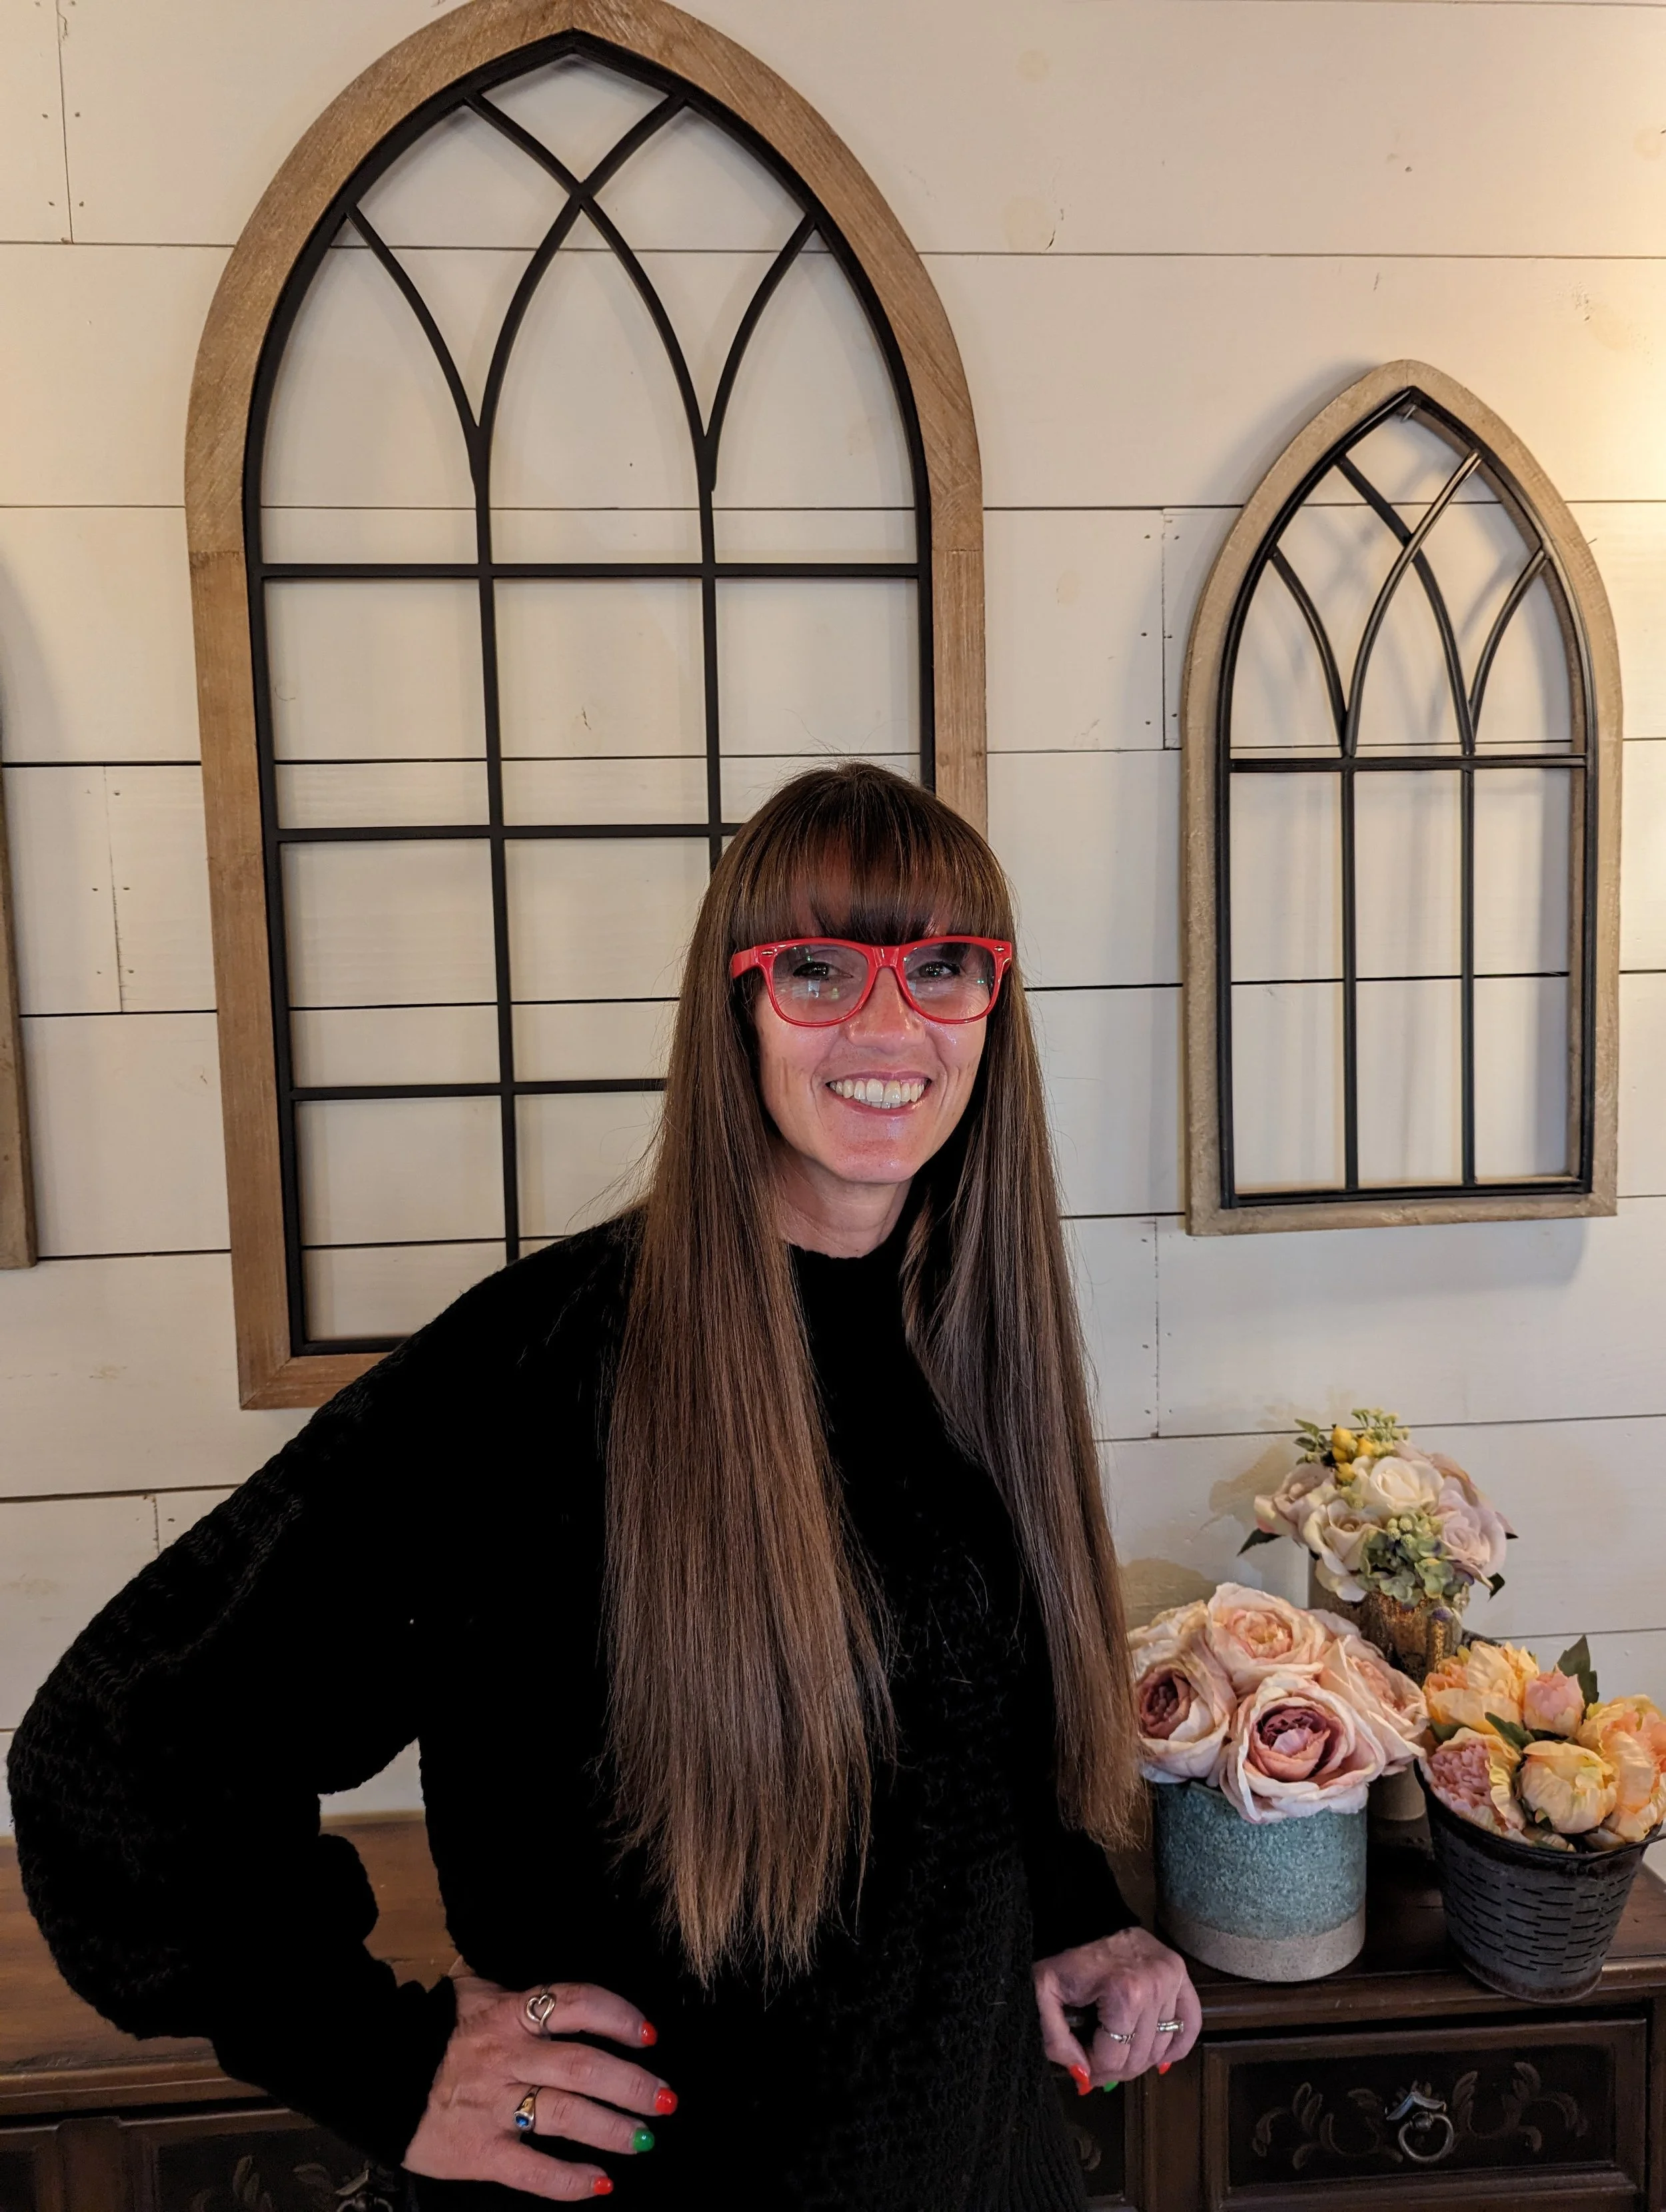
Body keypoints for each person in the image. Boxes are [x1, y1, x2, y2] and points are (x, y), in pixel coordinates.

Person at [9, 764, 1200, 2211]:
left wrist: (1072, 1915)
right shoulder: (537, 1371)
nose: (890, 1025)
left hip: (974, 2159)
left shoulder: (972, 1342)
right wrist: (369, 2058)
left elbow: (962, 1732)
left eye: (943, 968)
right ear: (737, 1007)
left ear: (990, 1010)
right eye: (818, 970)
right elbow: (114, 1747)